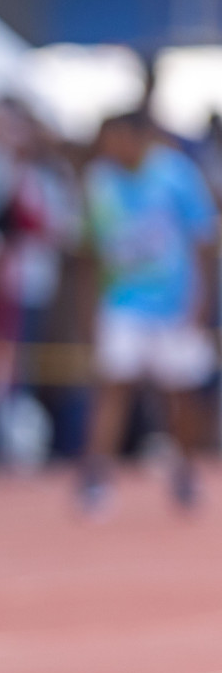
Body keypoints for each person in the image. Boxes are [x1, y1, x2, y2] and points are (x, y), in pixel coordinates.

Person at [79, 112, 218, 515]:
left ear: (141, 139)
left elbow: (202, 240)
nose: (111, 148)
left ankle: (186, 473)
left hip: (175, 304)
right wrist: (89, 310)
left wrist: (201, 301)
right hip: (121, 303)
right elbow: (87, 251)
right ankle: (95, 478)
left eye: (119, 139)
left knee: (182, 394)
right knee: (113, 387)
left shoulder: (176, 174)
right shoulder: (98, 181)